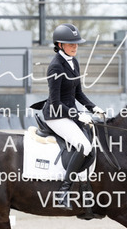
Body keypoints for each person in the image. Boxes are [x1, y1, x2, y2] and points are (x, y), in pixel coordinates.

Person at [42, 23, 105, 210]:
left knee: (92, 145)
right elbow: (55, 103)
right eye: (71, 44)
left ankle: (84, 189)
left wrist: (93, 108)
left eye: (76, 43)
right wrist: (77, 115)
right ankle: (63, 191)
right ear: (60, 45)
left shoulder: (74, 62)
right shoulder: (55, 67)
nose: (75, 46)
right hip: (56, 115)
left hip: (69, 112)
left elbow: (78, 93)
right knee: (83, 145)